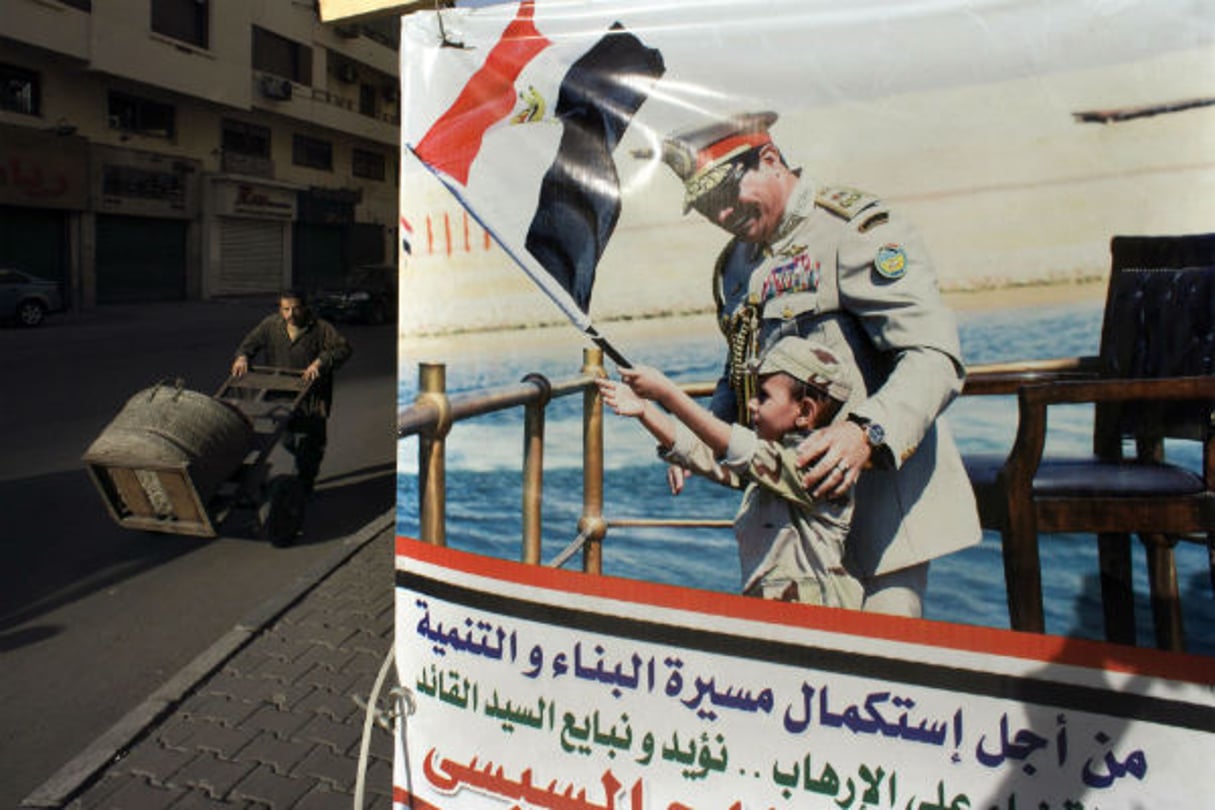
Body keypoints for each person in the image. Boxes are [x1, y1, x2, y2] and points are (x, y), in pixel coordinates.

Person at [660, 110, 981, 617]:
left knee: (885, 670)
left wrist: (864, 434)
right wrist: (702, 435)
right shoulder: (737, 265)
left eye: (726, 196)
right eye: (705, 206)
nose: (722, 217)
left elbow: (934, 355)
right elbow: (742, 366)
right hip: (791, 528)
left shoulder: (853, 230)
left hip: (880, 512)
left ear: (769, 158)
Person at [598, 335, 865, 609]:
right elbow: (708, 456)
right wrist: (645, 410)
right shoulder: (773, 465)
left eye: (764, 396)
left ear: (805, 411)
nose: (751, 405)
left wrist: (668, 393)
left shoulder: (816, 466)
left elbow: (735, 447)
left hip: (817, 621)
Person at [231, 289, 352, 495]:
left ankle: (304, 489)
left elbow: (343, 348)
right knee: (286, 439)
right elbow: (249, 344)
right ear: (280, 309)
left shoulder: (320, 328)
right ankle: (304, 465)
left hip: (312, 400)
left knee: (309, 444)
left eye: (295, 309)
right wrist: (242, 357)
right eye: (286, 309)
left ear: (304, 308)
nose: (290, 314)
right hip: (281, 397)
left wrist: (321, 362)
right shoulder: (271, 325)